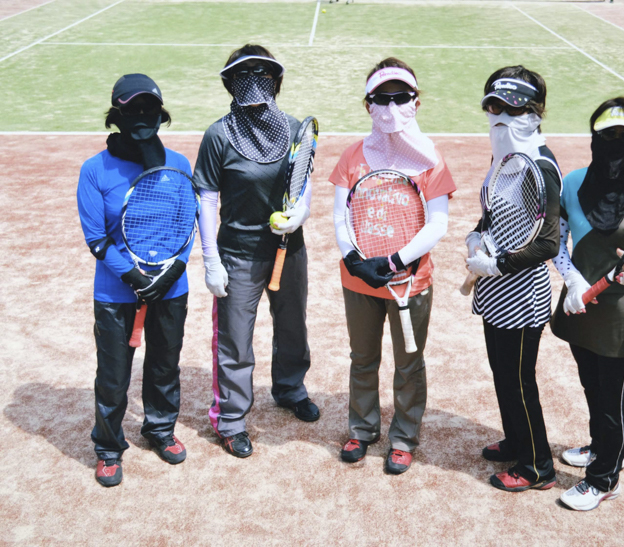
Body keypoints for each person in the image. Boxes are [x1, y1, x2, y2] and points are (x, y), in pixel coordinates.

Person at [329, 58, 456, 474]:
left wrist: (396, 260)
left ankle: (403, 438)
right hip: (359, 281)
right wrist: (354, 260)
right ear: (368, 105)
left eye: (401, 97)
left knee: (409, 364)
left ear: (416, 102)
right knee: (362, 359)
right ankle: (362, 429)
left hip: (410, 282)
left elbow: (438, 223)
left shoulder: (431, 158)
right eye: (381, 99)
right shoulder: (352, 156)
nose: (391, 107)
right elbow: (341, 216)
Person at [193, 44, 318, 459]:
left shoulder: (295, 128)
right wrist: (211, 259)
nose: (253, 83)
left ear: (276, 82)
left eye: (262, 75)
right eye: (243, 75)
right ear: (230, 83)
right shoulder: (218, 135)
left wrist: (300, 214)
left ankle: (290, 389)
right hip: (238, 255)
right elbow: (207, 198)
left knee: (293, 328)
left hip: (289, 251)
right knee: (235, 341)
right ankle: (230, 420)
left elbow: (303, 181)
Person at [551, 97, 624, 511]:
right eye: (607, 135)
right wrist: (572, 279)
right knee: (592, 385)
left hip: (621, 315)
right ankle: (601, 448)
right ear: (593, 137)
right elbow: (557, 241)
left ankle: (604, 480)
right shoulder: (571, 183)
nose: (615, 143)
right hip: (580, 305)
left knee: (614, 399)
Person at [77, 74, 193, 487]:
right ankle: (108, 448)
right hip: (115, 291)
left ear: (161, 114)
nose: (142, 116)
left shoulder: (179, 165)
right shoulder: (95, 170)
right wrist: (133, 276)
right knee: (113, 376)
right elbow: (96, 238)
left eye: (149, 108)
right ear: (117, 115)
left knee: (164, 365)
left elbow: (186, 224)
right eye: (133, 109)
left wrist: (173, 271)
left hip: (170, 287)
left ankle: (160, 429)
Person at [464, 66, 562, 492]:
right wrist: (477, 234)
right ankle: (517, 441)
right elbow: (494, 211)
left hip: (521, 295)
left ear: (535, 114)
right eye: (493, 107)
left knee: (519, 381)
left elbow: (548, 243)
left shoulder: (540, 166)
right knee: (502, 374)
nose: (500, 116)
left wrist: (498, 264)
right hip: (495, 290)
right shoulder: (503, 156)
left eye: (513, 109)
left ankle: (538, 465)